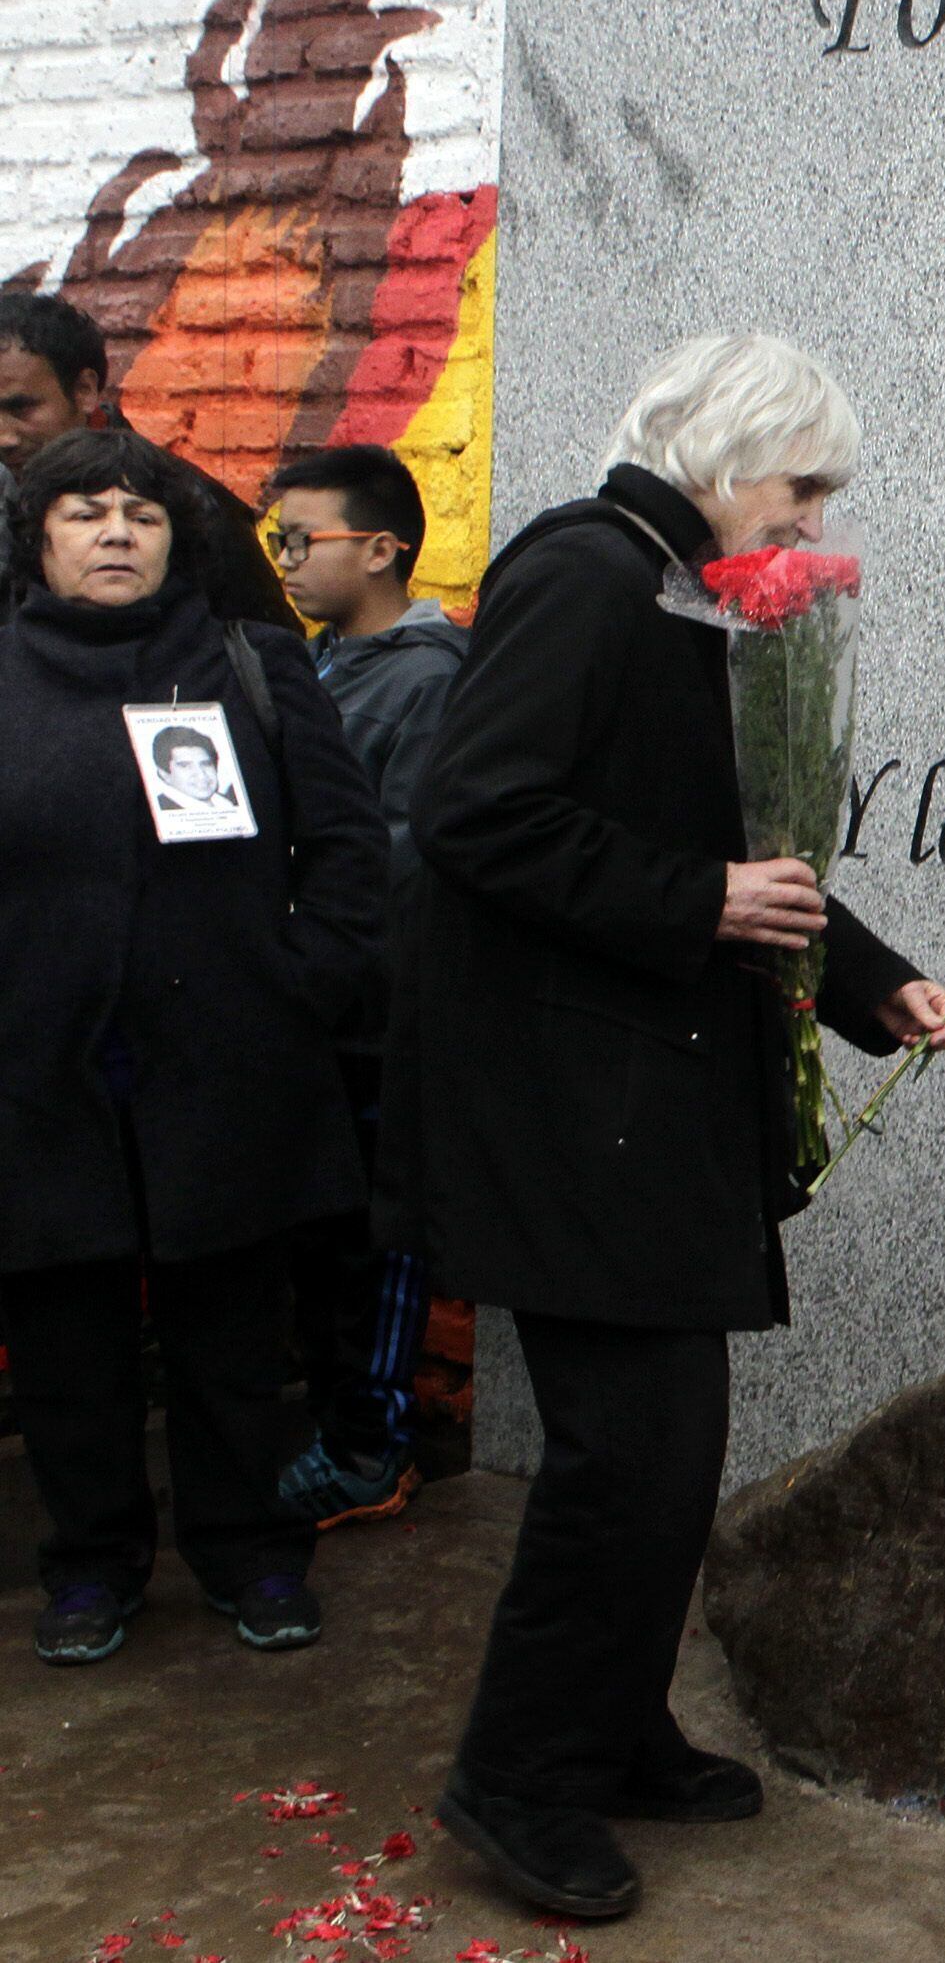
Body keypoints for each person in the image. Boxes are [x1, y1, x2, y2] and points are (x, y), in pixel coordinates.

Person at [385, 333, 945, 1922]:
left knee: (665, 1459)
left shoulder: (683, 590)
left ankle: (613, 1729)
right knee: (622, 1463)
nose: (814, 516)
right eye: (802, 482)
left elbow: (740, 846)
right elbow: (476, 812)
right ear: (718, 454)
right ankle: (514, 1780)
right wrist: (696, 900)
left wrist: (876, 982)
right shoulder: (588, 573)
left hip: (640, 1105)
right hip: (576, 1111)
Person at [0, 428, 389, 1665]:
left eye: (142, 513)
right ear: (38, 538)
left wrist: (297, 985)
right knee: (71, 1344)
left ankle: (251, 1554)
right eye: (84, 512)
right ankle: (92, 1566)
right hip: (44, 1075)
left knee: (231, 1339)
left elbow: (347, 847)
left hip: (226, 1067)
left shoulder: (248, 665)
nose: (117, 531)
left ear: (177, 541)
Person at [266, 444, 468, 1527]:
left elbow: (402, 864)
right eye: (278, 541)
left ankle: (371, 1446)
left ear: (382, 547)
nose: (288, 561)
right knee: (327, 1242)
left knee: (381, 1243)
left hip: (379, 1018)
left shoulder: (426, 679)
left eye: (304, 539)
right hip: (317, 1010)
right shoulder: (317, 660)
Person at [0, 289, 297, 630]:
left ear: (84, 391)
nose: (4, 438)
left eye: (21, 408)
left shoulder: (190, 504)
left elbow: (269, 652)